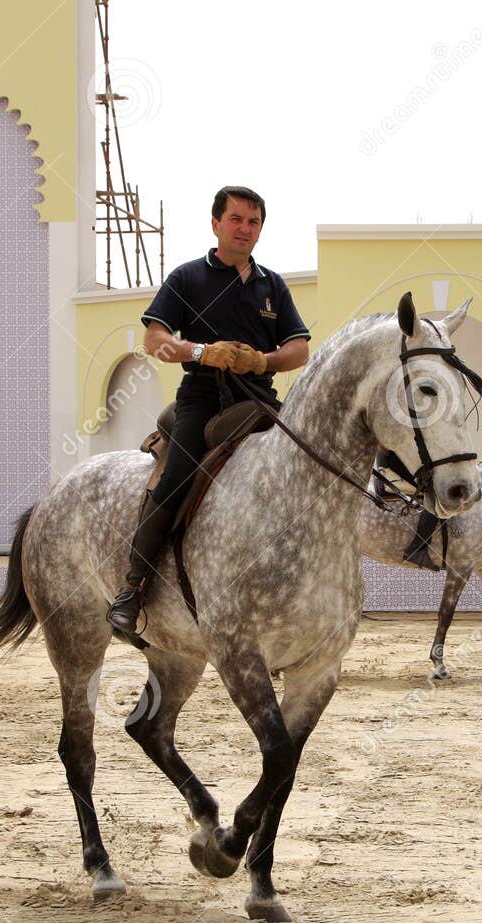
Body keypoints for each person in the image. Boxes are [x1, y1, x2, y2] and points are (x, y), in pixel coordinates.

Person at [107, 186, 312, 634]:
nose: (245, 228)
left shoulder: (272, 285)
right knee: (176, 477)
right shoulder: (187, 278)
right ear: (216, 223)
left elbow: (299, 349)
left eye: (254, 221)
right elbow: (155, 341)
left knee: (308, 467)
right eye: (236, 219)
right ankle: (133, 588)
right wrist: (202, 352)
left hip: (259, 399)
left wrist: (263, 361)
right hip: (202, 399)